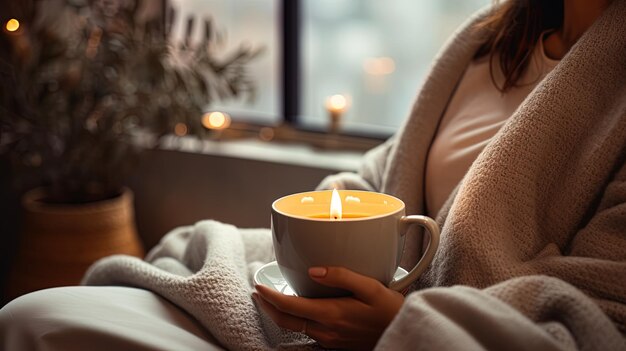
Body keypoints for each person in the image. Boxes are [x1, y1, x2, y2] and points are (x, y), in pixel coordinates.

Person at [1, 0, 625, 350]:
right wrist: (309, 237)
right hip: (325, 309)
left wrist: (400, 327)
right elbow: (386, 178)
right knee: (33, 316)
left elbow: (600, 313)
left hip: (430, 338)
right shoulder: (493, 39)